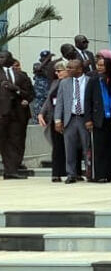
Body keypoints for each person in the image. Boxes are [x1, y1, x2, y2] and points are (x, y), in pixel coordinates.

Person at [53, 59, 99, 183]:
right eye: (67, 68)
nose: (67, 70)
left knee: (87, 147)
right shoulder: (64, 83)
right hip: (70, 118)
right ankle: (71, 174)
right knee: (69, 148)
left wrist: (92, 119)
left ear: (79, 69)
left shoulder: (90, 81)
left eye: (70, 68)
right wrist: (57, 120)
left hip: (85, 118)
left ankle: (90, 173)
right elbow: (60, 103)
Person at [0, 50, 34, 179]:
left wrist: (17, 90)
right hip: (2, 113)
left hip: (18, 114)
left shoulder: (21, 75)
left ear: (10, 59)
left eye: (3, 57)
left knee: (17, 142)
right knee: (3, 142)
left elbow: (30, 93)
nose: (0, 59)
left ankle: (12, 170)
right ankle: (9, 169)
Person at [90, 53, 111, 182]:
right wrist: (88, 119)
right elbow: (88, 101)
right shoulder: (93, 80)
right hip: (99, 118)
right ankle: (101, 175)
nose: (100, 67)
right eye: (98, 65)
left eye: (103, 65)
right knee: (100, 148)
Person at [39, 60, 70, 182]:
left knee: (69, 147)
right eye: (56, 71)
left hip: (67, 118)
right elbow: (48, 100)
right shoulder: (55, 83)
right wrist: (42, 113)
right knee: (57, 147)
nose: (57, 73)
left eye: (60, 70)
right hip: (54, 118)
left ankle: (72, 172)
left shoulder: (70, 82)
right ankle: (56, 173)